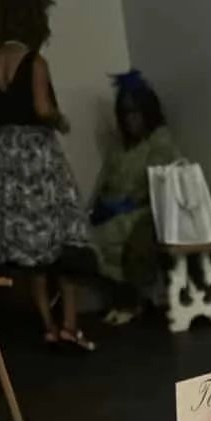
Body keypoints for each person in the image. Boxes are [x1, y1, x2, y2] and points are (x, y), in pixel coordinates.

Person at [0, 0, 96, 351]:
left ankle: (48, 326)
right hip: (35, 152)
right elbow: (42, 110)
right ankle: (70, 324)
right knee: (67, 237)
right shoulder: (35, 62)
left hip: (5, 153)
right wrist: (62, 119)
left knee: (33, 252)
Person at [89, 71, 177, 324]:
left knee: (118, 235)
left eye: (135, 112)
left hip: (145, 210)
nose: (130, 120)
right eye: (125, 113)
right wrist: (99, 205)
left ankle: (132, 299)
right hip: (116, 209)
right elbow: (105, 178)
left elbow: (164, 183)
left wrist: (126, 205)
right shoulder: (120, 148)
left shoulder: (160, 142)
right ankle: (123, 298)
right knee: (90, 235)